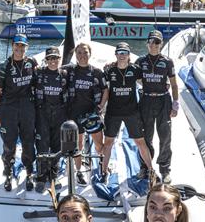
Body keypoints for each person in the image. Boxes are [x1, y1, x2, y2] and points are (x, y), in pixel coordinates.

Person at [101, 42, 154, 182]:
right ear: (116, 54)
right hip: (113, 112)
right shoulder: (109, 70)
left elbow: (146, 83)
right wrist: (101, 106)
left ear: (129, 55)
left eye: (125, 53)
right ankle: (104, 171)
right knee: (108, 142)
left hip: (132, 112)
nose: (122, 55)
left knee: (140, 141)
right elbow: (105, 90)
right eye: (119, 53)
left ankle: (151, 170)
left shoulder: (136, 69)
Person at [0, 34, 38, 192]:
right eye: (17, 46)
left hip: (27, 108)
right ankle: (8, 173)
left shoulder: (32, 63)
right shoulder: (3, 67)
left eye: (22, 46)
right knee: (9, 144)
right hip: (8, 109)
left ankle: (30, 172)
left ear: (27, 47)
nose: (19, 49)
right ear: (12, 46)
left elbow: (39, 80)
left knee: (28, 142)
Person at [135, 30, 179, 184]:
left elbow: (174, 84)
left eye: (157, 42)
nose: (154, 45)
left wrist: (176, 104)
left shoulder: (168, 61)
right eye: (151, 42)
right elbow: (133, 76)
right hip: (146, 101)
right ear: (147, 43)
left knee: (165, 137)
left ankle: (165, 169)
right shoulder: (140, 61)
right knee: (146, 137)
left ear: (161, 44)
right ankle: (145, 167)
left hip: (163, 102)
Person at [64, 42, 107, 185]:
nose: (82, 56)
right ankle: (79, 171)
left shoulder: (96, 72)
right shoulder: (69, 71)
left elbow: (105, 89)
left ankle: (103, 167)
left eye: (85, 52)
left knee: (99, 145)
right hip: (75, 113)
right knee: (78, 145)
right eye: (79, 53)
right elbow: (52, 69)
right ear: (75, 55)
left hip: (92, 114)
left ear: (90, 54)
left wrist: (101, 105)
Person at [33, 46, 68, 192]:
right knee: (42, 147)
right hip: (43, 114)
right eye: (50, 58)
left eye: (56, 58)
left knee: (56, 147)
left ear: (60, 59)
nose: (53, 61)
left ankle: (54, 176)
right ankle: (41, 177)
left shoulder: (65, 74)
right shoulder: (39, 73)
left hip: (59, 114)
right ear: (45, 60)